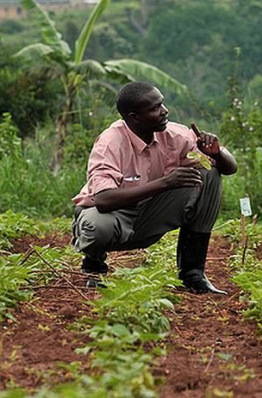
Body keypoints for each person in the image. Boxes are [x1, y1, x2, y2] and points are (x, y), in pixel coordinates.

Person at [72, 81, 237, 294]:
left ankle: (193, 273)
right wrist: (165, 182)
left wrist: (216, 153)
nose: (164, 111)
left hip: (150, 213)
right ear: (134, 118)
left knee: (209, 174)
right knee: (97, 226)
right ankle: (94, 264)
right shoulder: (110, 142)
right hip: (114, 216)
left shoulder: (174, 134)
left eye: (162, 104)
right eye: (154, 108)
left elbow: (230, 168)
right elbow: (104, 200)